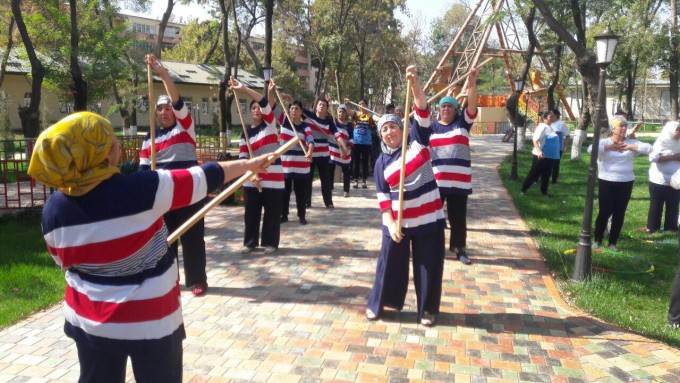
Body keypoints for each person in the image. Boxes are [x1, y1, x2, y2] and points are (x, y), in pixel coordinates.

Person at [27, 111, 269, 383]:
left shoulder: (53, 210)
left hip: (89, 319)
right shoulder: (144, 189)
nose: (118, 146)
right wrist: (250, 164)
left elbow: (63, 261)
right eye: (112, 142)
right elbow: (202, 177)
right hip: (151, 322)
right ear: (103, 155)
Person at [366, 65, 446, 327]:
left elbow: (422, 109)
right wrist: (390, 224)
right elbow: (383, 200)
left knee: (428, 266)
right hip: (399, 223)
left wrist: (414, 84)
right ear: (381, 136)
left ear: (401, 128)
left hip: (429, 218)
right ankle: (379, 304)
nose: (390, 132)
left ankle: (427, 310)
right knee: (387, 262)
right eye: (385, 130)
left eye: (393, 127)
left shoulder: (418, 142)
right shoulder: (380, 164)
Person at [139, 54, 208, 296]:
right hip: (164, 196)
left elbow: (178, 100)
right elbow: (144, 170)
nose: (165, 112)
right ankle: (169, 281)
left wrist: (163, 74)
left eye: (168, 108)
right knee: (164, 241)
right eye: (160, 109)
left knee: (193, 237)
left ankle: (197, 280)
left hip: (190, 191)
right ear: (156, 113)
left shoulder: (185, 127)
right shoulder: (149, 138)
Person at [427, 68, 479, 265]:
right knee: (433, 217)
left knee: (458, 219)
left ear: (456, 110)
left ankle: (460, 249)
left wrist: (472, 83)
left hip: (459, 182)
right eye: (443, 106)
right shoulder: (432, 128)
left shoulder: (462, 124)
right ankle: (431, 248)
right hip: (437, 182)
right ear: (439, 110)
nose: (446, 109)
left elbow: (472, 105)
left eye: (450, 106)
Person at [232, 78, 284, 254]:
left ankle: (270, 242)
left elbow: (263, 101)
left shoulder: (270, 124)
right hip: (252, 178)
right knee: (251, 212)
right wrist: (251, 174)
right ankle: (250, 242)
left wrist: (244, 89)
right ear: (250, 112)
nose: (256, 109)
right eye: (253, 108)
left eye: (258, 108)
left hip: (273, 176)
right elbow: (243, 156)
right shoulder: (245, 133)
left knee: (272, 212)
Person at [587, 115, 652, 251]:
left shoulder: (631, 142)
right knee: (604, 212)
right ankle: (598, 240)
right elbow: (590, 150)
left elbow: (649, 148)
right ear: (613, 129)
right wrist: (609, 147)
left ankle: (612, 243)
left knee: (619, 212)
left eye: (625, 126)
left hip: (626, 182)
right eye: (620, 126)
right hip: (607, 181)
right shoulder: (605, 142)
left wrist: (630, 146)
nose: (624, 128)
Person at [303, 97, 350, 208]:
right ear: (316, 106)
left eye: (324, 105)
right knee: (308, 178)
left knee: (326, 180)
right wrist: (288, 98)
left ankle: (328, 202)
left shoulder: (329, 122)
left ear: (326, 109)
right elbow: (295, 108)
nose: (321, 106)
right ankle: (306, 201)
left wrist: (344, 147)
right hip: (310, 153)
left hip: (324, 154)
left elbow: (337, 135)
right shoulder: (308, 116)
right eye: (320, 104)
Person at [276, 98, 315, 225]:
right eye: (292, 108)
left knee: (300, 192)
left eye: (296, 109)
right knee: (284, 192)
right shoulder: (284, 121)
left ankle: (302, 215)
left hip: (301, 166)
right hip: (285, 165)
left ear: (301, 111)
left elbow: (310, 140)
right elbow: (271, 106)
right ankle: (284, 215)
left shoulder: (305, 126)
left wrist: (309, 151)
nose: (294, 111)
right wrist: (271, 91)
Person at [646, 119, 680, 233]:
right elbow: (654, 158)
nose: (679, 134)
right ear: (670, 131)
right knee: (656, 204)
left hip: (675, 180)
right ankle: (652, 227)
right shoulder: (661, 142)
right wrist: (673, 156)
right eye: (677, 131)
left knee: (673, 204)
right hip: (658, 179)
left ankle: (671, 227)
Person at [521, 110, 560, 196]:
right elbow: (535, 140)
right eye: (550, 117)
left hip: (550, 156)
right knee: (534, 174)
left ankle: (544, 192)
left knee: (546, 174)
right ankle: (523, 190)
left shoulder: (549, 126)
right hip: (541, 155)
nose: (553, 118)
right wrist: (539, 152)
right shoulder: (542, 127)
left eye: (553, 116)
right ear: (544, 118)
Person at [346, 98, 377, 189]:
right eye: (360, 104)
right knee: (356, 161)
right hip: (356, 142)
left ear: (366, 106)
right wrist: (347, 104)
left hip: (367, 143)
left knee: (365, 162)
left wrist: (381, 117)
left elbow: (377, 118)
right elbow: (348, 111)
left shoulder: (370, 115)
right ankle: (355, 180)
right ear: (358, 106)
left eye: (363, 104)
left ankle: (364, 181)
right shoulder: (356, 114)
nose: (362, 105)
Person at [330, 104, 354, 197]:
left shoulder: (349, 125)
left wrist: (347, 149)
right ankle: (330, 188)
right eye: (339, 111)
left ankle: (346, 190)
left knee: (346, 171)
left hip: (345, 150)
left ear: (346, 113)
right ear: (337, 112)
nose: (341, 113)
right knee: (330, 169)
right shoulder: (334, 122)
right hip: (334, 149)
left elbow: (351, 138)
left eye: (343, 112)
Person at [551, 109, 571, 184]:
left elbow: (567, 136)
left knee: (555, 164)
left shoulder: (561, 124)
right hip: (547, 148)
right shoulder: (548, 123)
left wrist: (565, 146)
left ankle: (554, 180)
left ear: (556, 115)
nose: (550, 115)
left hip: (558, 148)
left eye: (551, 114)